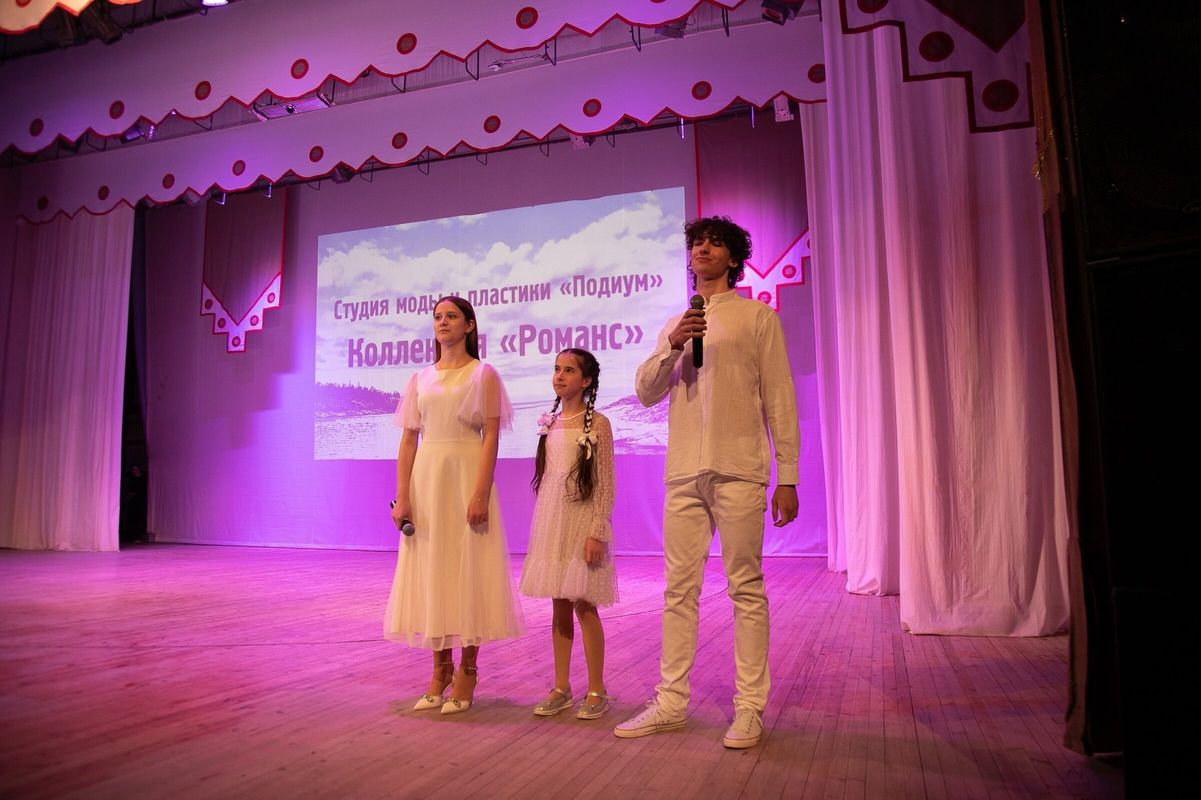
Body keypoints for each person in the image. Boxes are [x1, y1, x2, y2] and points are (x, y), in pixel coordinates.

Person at [614, 216, 799, 749]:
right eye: (697, 242)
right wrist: (673, 345)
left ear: (733, 258)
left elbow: (780, 398)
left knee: (746, 588)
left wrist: (787, 475)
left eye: (715, 243)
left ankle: (749, 708)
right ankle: (671, 702)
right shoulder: (677, 323)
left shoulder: (757, 317)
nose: (703, 249)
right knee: (678, 591)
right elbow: (646, 392)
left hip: (739, 468)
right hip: (683, 473)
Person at [384, 295, 524, 714]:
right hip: (428, 481)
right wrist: (403, 496)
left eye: (451, 316)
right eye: (437, 317)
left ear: (469, 325)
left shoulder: (483, 374)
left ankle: (468, 670)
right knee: (433, 569)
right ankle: (439, 669)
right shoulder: (420, 378)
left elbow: (491, 437)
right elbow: (409, 440)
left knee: (469, 568)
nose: (443, 322)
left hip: (465, 476)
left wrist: (480, 492)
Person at [520, 348, 618, 720]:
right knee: (559, 603)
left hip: (582, 521)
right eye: (557, 369)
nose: (559, 376)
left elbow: (605, 483)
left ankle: (597, 689)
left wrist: (598, 530)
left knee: (584, 604)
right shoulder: (552, 422)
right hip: (553, 522)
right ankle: (561, 686)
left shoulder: (599, 424)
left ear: (586, 381)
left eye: (569, 370)